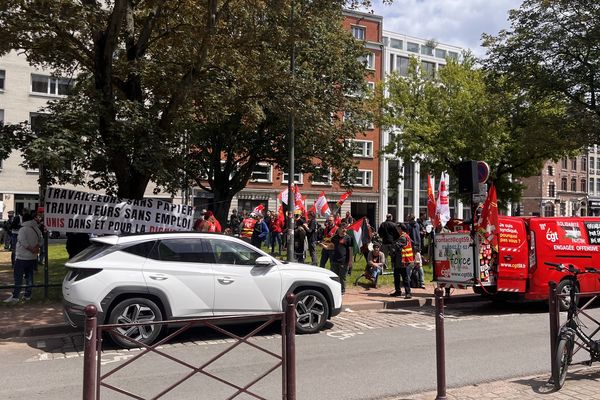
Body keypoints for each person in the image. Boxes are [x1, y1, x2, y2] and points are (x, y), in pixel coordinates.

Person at [4, 212, 42, 303]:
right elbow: (41, 241)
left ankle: (15, 296)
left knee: (18, 277)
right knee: (29, 277)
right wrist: (36, 248)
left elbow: (22, 241)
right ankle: (28, 295)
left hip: (22, 257)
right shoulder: (36, 229)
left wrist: (31, 248)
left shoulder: (23, 229)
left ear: (23, 219)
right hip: (32, 257)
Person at [391, 223, 414, 299]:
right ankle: (398, 291)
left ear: (401, 229)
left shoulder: (403, 237)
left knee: (405, 277)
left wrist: (393, 245)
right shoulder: (404, 236)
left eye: (398, 229)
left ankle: (408, 293)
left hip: (403, 260)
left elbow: (398, 245)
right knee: (396, 276)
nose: (397, 230)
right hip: (400, 260)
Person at [331, 222, 353, 294]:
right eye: (343, 228)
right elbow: (331, 246)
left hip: (344, 261)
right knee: (334, 276)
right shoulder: (334, 238)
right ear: (339, 229)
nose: (344, 229)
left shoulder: (348, 238)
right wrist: (324, 246)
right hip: (334, 260)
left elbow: (350, 250)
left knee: (342, 277)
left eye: (345, 228)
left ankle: (342, 291)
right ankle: (335, 289)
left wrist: (350, 261)